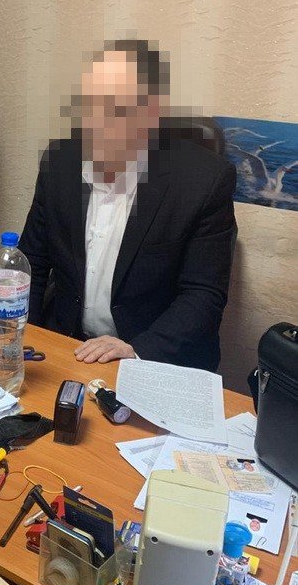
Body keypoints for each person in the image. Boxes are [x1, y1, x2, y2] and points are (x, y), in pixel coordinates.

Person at [20, 39, 236, 372]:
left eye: (115, 110)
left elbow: (203, 295)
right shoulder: (60, 163)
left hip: (152, 357)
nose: (95, 123)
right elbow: (31, 263)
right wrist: (23, 342)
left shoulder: (204, 181)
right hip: (70, 347)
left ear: (150, 114)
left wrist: (136, 351)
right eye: (89, 105)